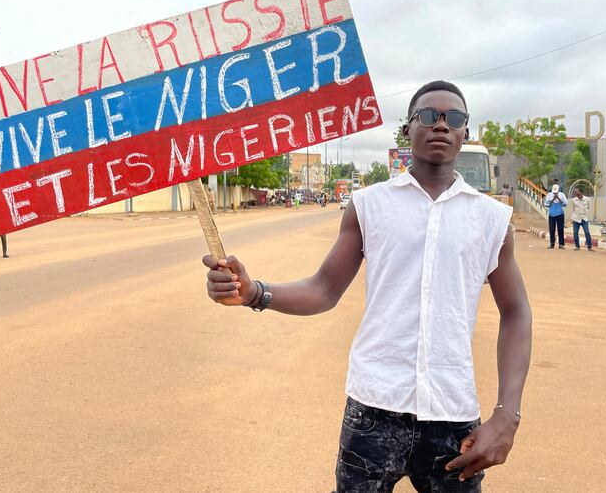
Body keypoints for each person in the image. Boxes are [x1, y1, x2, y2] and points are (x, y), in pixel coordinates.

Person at [204, 81, 532, 491]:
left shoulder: (490, 220)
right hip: (374, 411)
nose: (442, 126)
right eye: (429, 116)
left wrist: (507, 415)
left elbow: (516, 312)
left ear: (466, 132)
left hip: (452, 413)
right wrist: (254, 293)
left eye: (455, 119)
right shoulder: (370, 205)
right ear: (407, 130)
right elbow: (323, 289)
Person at [544, 184, 568, 249]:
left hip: (560, 214)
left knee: (560, 229)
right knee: (552, 229)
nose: (555, 193)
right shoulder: (549, 195)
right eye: (554, 192)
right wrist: (552, 199)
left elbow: (565, 204)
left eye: (556, 192)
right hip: (552, 214)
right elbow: (546, 204)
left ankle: (561, 244)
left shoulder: (562, 195)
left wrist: (559, 198)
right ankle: (552, 244)